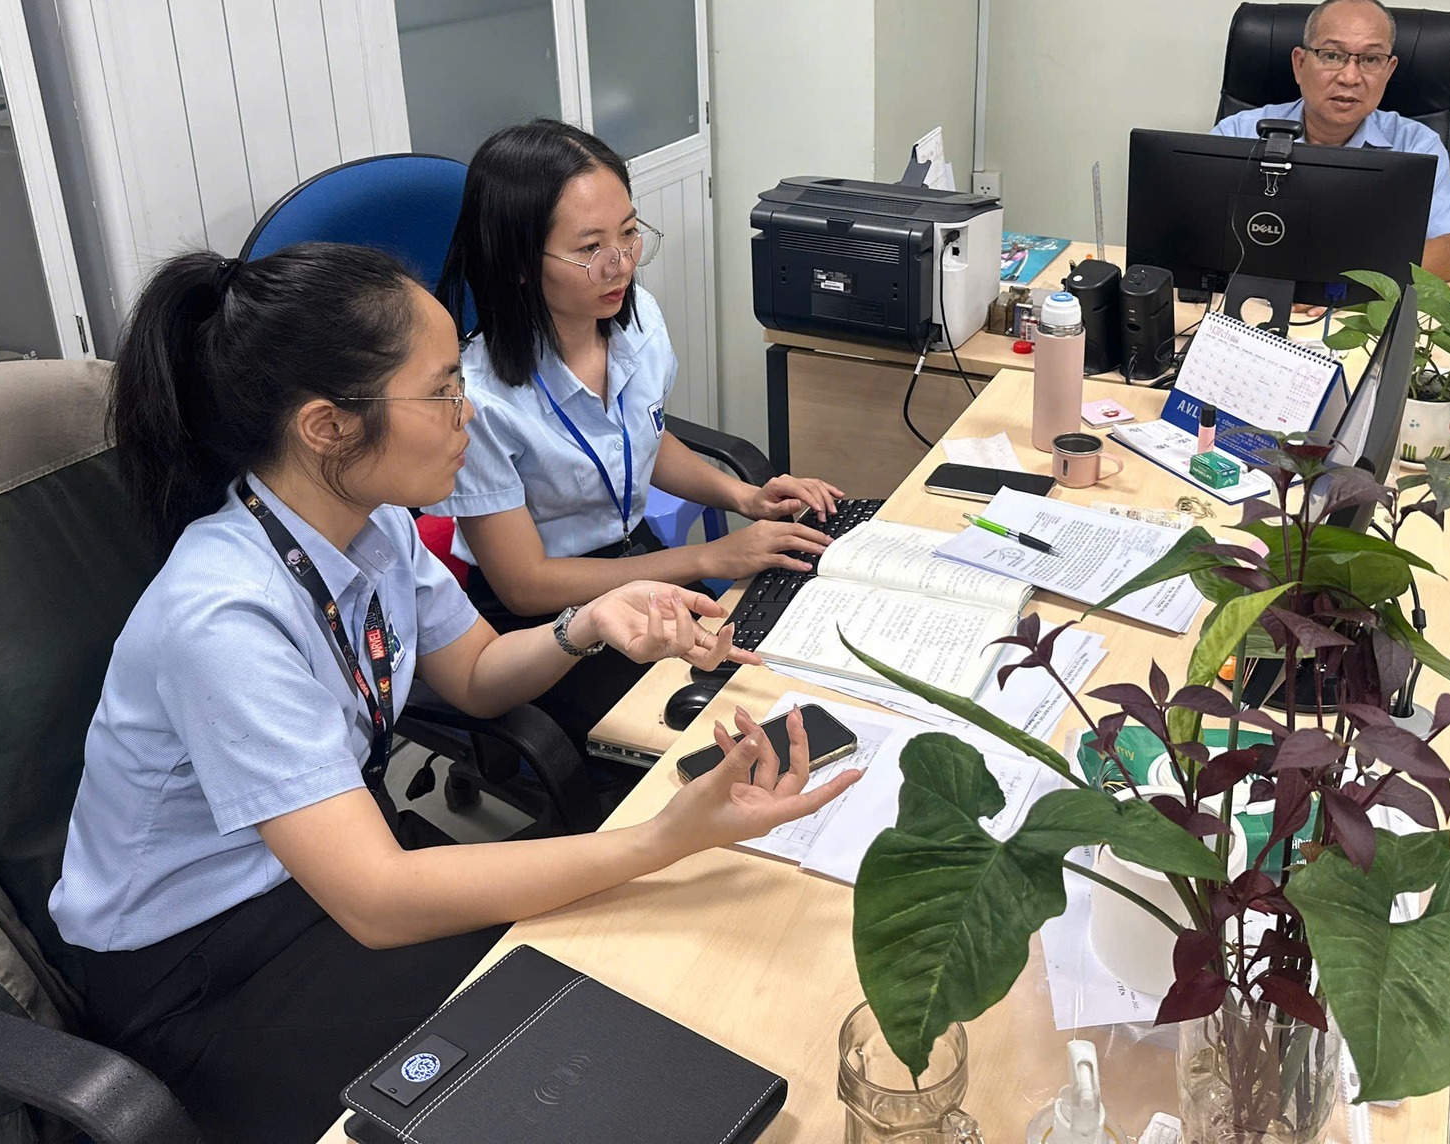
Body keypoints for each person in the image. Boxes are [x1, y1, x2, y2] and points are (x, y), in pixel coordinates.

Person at [49, 243, 857, 1144]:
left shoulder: (374, 526)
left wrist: (587, 622)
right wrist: (659, 838)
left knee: (612, 958)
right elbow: (379, 899)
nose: (466, 412)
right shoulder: (222, 616)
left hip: (330, 879)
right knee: (565, 1041)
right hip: (205, 969)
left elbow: (473, 675)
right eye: (441, 391)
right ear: (327, 427)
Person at [432, 120, 846, 738]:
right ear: (518, 263)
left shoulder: (638, 320)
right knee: (688, 731)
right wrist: (709, 556)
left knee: (771, 671)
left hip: (639, 559)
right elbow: (525, 585)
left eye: (628, 233)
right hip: (545, 619)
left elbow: (643, 437)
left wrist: (745, 497)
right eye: (589, 247)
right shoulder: (481, 401)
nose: (620, 264)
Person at [1211, 0, 1450, 281]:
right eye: (1332, 55)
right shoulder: (1239, 134)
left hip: (1364, 303)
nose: (1350, 77)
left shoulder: (1416, 145)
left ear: (1389, 71)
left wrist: (1340, 280)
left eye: (1371, 59)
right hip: (1255, 298)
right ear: (1299, 64)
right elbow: (1197, 230)